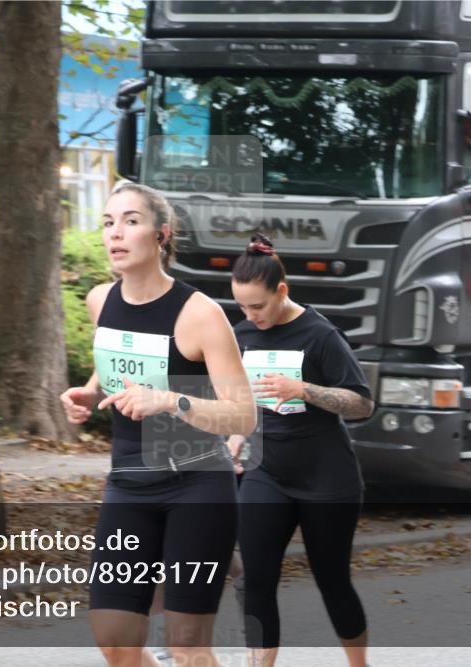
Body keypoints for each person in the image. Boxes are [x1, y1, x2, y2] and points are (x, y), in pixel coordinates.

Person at [60, 182, 256, 667]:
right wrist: (91, 391)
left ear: (161, 236)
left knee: (188, 646)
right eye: (108, 223)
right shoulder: (100, 301)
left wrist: (169, 401)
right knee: (116, 640)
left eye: (130, 221)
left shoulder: (200, 315)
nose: (115, 233)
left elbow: (243, 413)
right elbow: (122, 364)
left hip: (197, 488)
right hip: (128, 484)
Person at [227, 233, 374, 667]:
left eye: (259, 306)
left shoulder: (320, 334)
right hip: (265, 472)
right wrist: (235, 437)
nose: (251, 316)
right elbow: (242, 403)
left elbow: (362, 403)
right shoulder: (241, 336)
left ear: (282, 291)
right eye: (243, 307)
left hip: (327, 479)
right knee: (256, 580)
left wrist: (303, 389)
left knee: (332, 581)